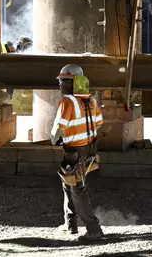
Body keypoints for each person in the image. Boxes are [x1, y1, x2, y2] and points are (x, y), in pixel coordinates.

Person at [50, 64, 105, 241]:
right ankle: (70, 224)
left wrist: (55, 139)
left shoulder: (68, 101)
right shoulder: (91, 100)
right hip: (88, 151)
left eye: (61, 81)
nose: (59, 85)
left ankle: (93, 229)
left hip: (74, 153)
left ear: (70, 82)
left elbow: (59, 129)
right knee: (68, 184)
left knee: (77, 189)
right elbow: (98, 123)